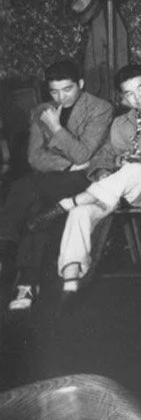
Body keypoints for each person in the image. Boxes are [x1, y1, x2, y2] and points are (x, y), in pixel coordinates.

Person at [37, 64, 141, 294]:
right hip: (114, 191)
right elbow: (102, 156)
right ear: (123, 96)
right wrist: (103, 171)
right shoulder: (120, 122)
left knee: (135, 170)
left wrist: (137, 161)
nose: (137, 97)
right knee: (80, 213)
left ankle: (70, 201)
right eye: (129, 93)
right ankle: (70, 281)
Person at [0, 59, 115, 310]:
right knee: (38, 211)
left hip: (85, 180)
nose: (61, 97)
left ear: (80, 84)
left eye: (67, 89)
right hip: (55, 179)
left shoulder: (100, 108)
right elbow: (34, 157)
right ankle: (27, 283)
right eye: (54, 91)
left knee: (21, 188)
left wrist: (55, 127)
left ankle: (6, 252)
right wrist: (67, 165)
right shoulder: (41, 110)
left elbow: (84, 154)